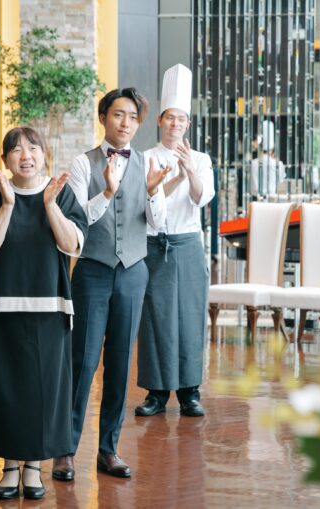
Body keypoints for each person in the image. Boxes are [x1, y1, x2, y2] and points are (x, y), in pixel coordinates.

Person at [54, 87, 170, 481]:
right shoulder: (82, 164)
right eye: (119, 114)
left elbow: (158, 223)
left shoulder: (148, 162)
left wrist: (152, 191)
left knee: (120, 363)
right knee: (83, 361)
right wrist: (106, 191)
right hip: (92, 271)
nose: (126, 123)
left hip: (133, 271)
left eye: (133, 117)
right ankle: (65, 450)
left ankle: (109, 449)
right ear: (103, 117)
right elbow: (76, 220)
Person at [0, 126, 88, 500]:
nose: (26, 156)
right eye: (17, 150)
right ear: (5, 159)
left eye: (33, 148)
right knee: (5, 388)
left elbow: (71, 244)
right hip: (2, 307)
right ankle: (9, 467)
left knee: (44, 390)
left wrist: (50, 205)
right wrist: (8, 206)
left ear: (44, 155)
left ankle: (34, 467)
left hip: (49, 307)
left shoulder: (61, 193)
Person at [135, 64, 215, 418]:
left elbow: (201, 198)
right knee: (155, 318)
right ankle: (155, 392)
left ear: (188, 124)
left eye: (181, 119)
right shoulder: (145, 159)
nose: (175, 124)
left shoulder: (201, 159)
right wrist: (173, 178)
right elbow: (147, 204)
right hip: (155, 246)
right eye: (170, 118)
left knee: (190, 317)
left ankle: (189, 392)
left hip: (188, 244)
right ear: (159, 121)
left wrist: (189, 172)